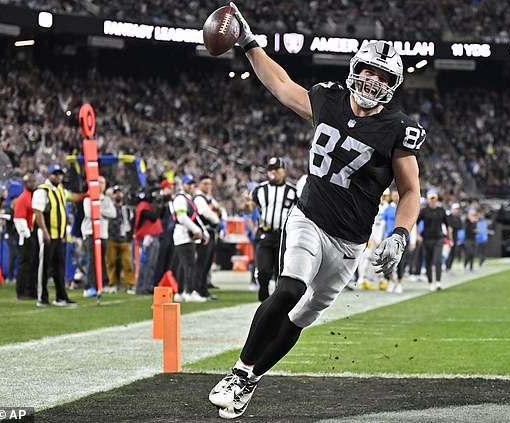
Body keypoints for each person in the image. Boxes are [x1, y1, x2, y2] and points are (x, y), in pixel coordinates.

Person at [208, 4, 424, 419]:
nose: (372, 80)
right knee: (289, 288)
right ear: (355, 69)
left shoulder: (398, 129)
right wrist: (251, 44)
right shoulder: (328, 100)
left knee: (303, 315)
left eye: (382, 76)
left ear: (392, 84)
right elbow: (281, 84)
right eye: (368, 70)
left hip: (349, 242)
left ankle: (250, 381)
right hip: (309, 217)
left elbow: (410, 190)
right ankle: (238, 371)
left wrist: (399, 234)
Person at [244, 157, 298, 301]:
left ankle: (276, 301)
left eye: (276, 169)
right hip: (265, 234)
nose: (273, 172)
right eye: (270, 170)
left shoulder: (293, 191)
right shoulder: (259, 189)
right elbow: (249, 210)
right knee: (263, 271)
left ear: (284, 171)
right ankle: (263, 295)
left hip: (283, 236)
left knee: (280, 272)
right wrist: (247, 208)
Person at [32, 164, 84, 307]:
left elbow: (71, 197)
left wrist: (86, 195)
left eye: (60, 174)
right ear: (49, 175)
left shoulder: (60, 189)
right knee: (44, 266)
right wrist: (44, 231)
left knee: (59, 267)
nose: (58, 177)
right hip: (47, 233)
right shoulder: (42, 191)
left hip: (60, 234)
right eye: (55, 174)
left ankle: (61, 296)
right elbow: (38, 212)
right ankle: (42, 297)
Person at [171, 174, 209, 303]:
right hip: (183, 234)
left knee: (184, 265)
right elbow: (182, 217)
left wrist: (203, 231)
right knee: (189, 264)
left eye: (192, 184)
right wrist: (196, 230)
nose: (191, 186)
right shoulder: (180, 199)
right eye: (188, 184)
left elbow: (195, 217)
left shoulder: (188, 199)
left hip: (187, 234)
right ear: (182, 185)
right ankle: (188, 291)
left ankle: (180, 292)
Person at [81, 176, 116, 296]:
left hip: (103, 233)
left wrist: (99, 210)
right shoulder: (88, 197)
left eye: (103, 183)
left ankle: (100, 284)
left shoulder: (106, 199)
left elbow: (113, 213)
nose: (102, 185)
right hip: (90, 232)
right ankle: (89, 286)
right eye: (99, 182)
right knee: (92, 259)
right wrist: (102, 211)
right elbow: (89, 213)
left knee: (101, 259)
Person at [416, 189, 452, 291]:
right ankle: (431, 282)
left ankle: (438, 282)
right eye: (430, 198)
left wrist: (450, 238)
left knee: (438, 260)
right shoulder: (424, 211)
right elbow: (416, 223)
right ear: (428, 199)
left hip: (439, 238)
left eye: (434, 198)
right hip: (427, 238)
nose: (432, 200)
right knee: (428, 260)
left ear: (436, 198)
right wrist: (418, 235)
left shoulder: (441, 211)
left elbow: (448, 225)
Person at [193, 175, 221, 300]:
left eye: (209, 183)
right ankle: (198, 290)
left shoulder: (208, 198)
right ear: (199, 185)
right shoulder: (199, 198)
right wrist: (217, 219)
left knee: (207, 263)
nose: (208, 186)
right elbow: (204, 211)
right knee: (202, 263)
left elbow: (220, 209)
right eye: (205, 183)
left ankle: (203, 290)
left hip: (210, 232)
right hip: (204, 233)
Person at [106, 185, 136, 294]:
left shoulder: (127, 210)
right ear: (112, 195)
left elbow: (131, 223)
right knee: (111, 263)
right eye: (116, 193)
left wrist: (130, 236)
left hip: (124, 240)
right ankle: (112, 284)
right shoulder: (109, 208)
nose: (118, 195)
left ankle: (130, 284)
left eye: (119, 192)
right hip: (111, 239)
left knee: (127, 263)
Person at [13, 173, 38, 300]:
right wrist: (27, 236)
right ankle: (21, 291)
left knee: (32, 263)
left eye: (33, 181)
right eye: (30, 182)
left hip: (31, 232)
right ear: (25, 184)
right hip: (26, 235)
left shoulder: (31, 197)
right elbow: (19, 219)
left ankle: (30, 290)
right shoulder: (23, 198)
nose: (33, 184)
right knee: (25, 264)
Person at [445, 203, 462, 273]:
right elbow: (448, 228)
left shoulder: (458, 218)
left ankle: (449, 268)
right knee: (446, 253)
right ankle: (445, 267)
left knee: (453, 253)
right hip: (448, 238)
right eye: (455, 209)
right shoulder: (448, 217)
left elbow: (460, 226)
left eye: (457, 209)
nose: (456, 211)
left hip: (455, 237)